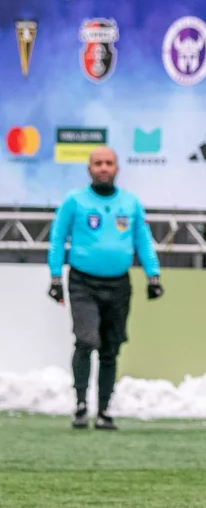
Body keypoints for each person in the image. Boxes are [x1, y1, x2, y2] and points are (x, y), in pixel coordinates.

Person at [46, 146, 163, 430]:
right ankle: (80, 404)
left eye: (108, 163)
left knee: (111, 348)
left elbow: (143, 241)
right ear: (89, 169)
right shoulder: (75, 201)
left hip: (119, 284)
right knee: (86, 340)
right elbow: (57, 237)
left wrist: (153, 275)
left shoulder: (130, 203)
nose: (103, 168)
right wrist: (55, 277)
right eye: (97, 163)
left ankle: (105, 409)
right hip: (83, 282)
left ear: (117, 168)